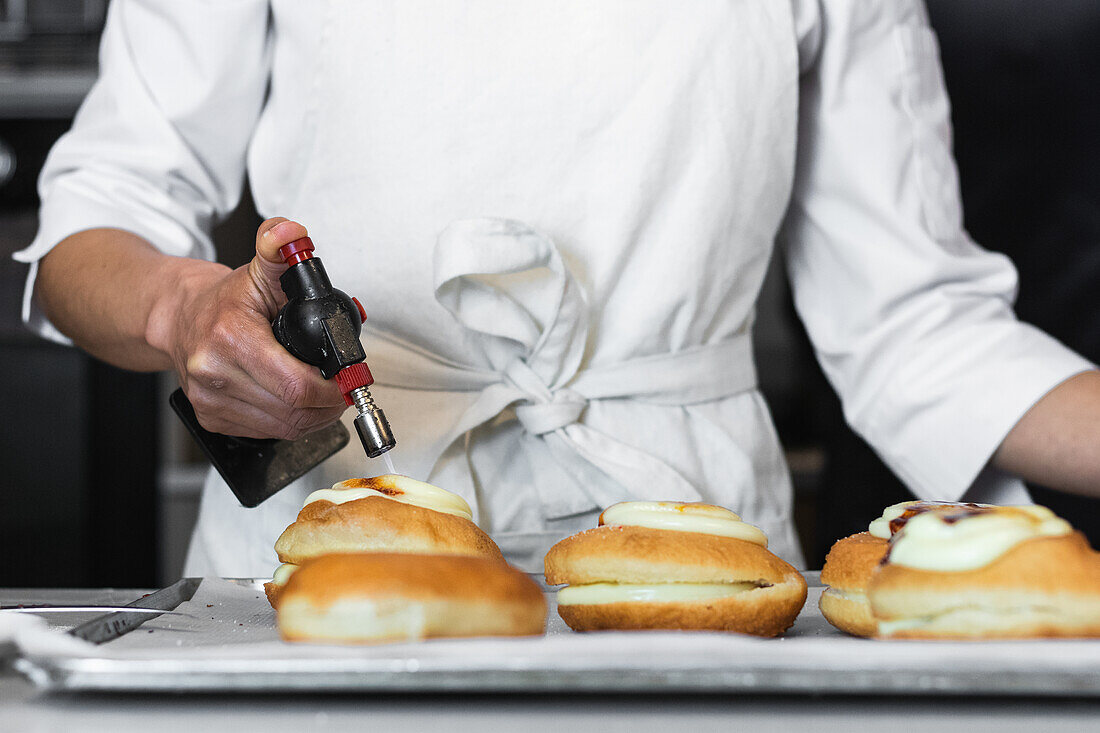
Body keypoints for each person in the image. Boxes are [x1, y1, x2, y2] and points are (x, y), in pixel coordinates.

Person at [14, 0, 1100, 576]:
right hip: (343, 534)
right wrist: (181, 307)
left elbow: (915, 325)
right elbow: (100, 216)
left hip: (692, 564)